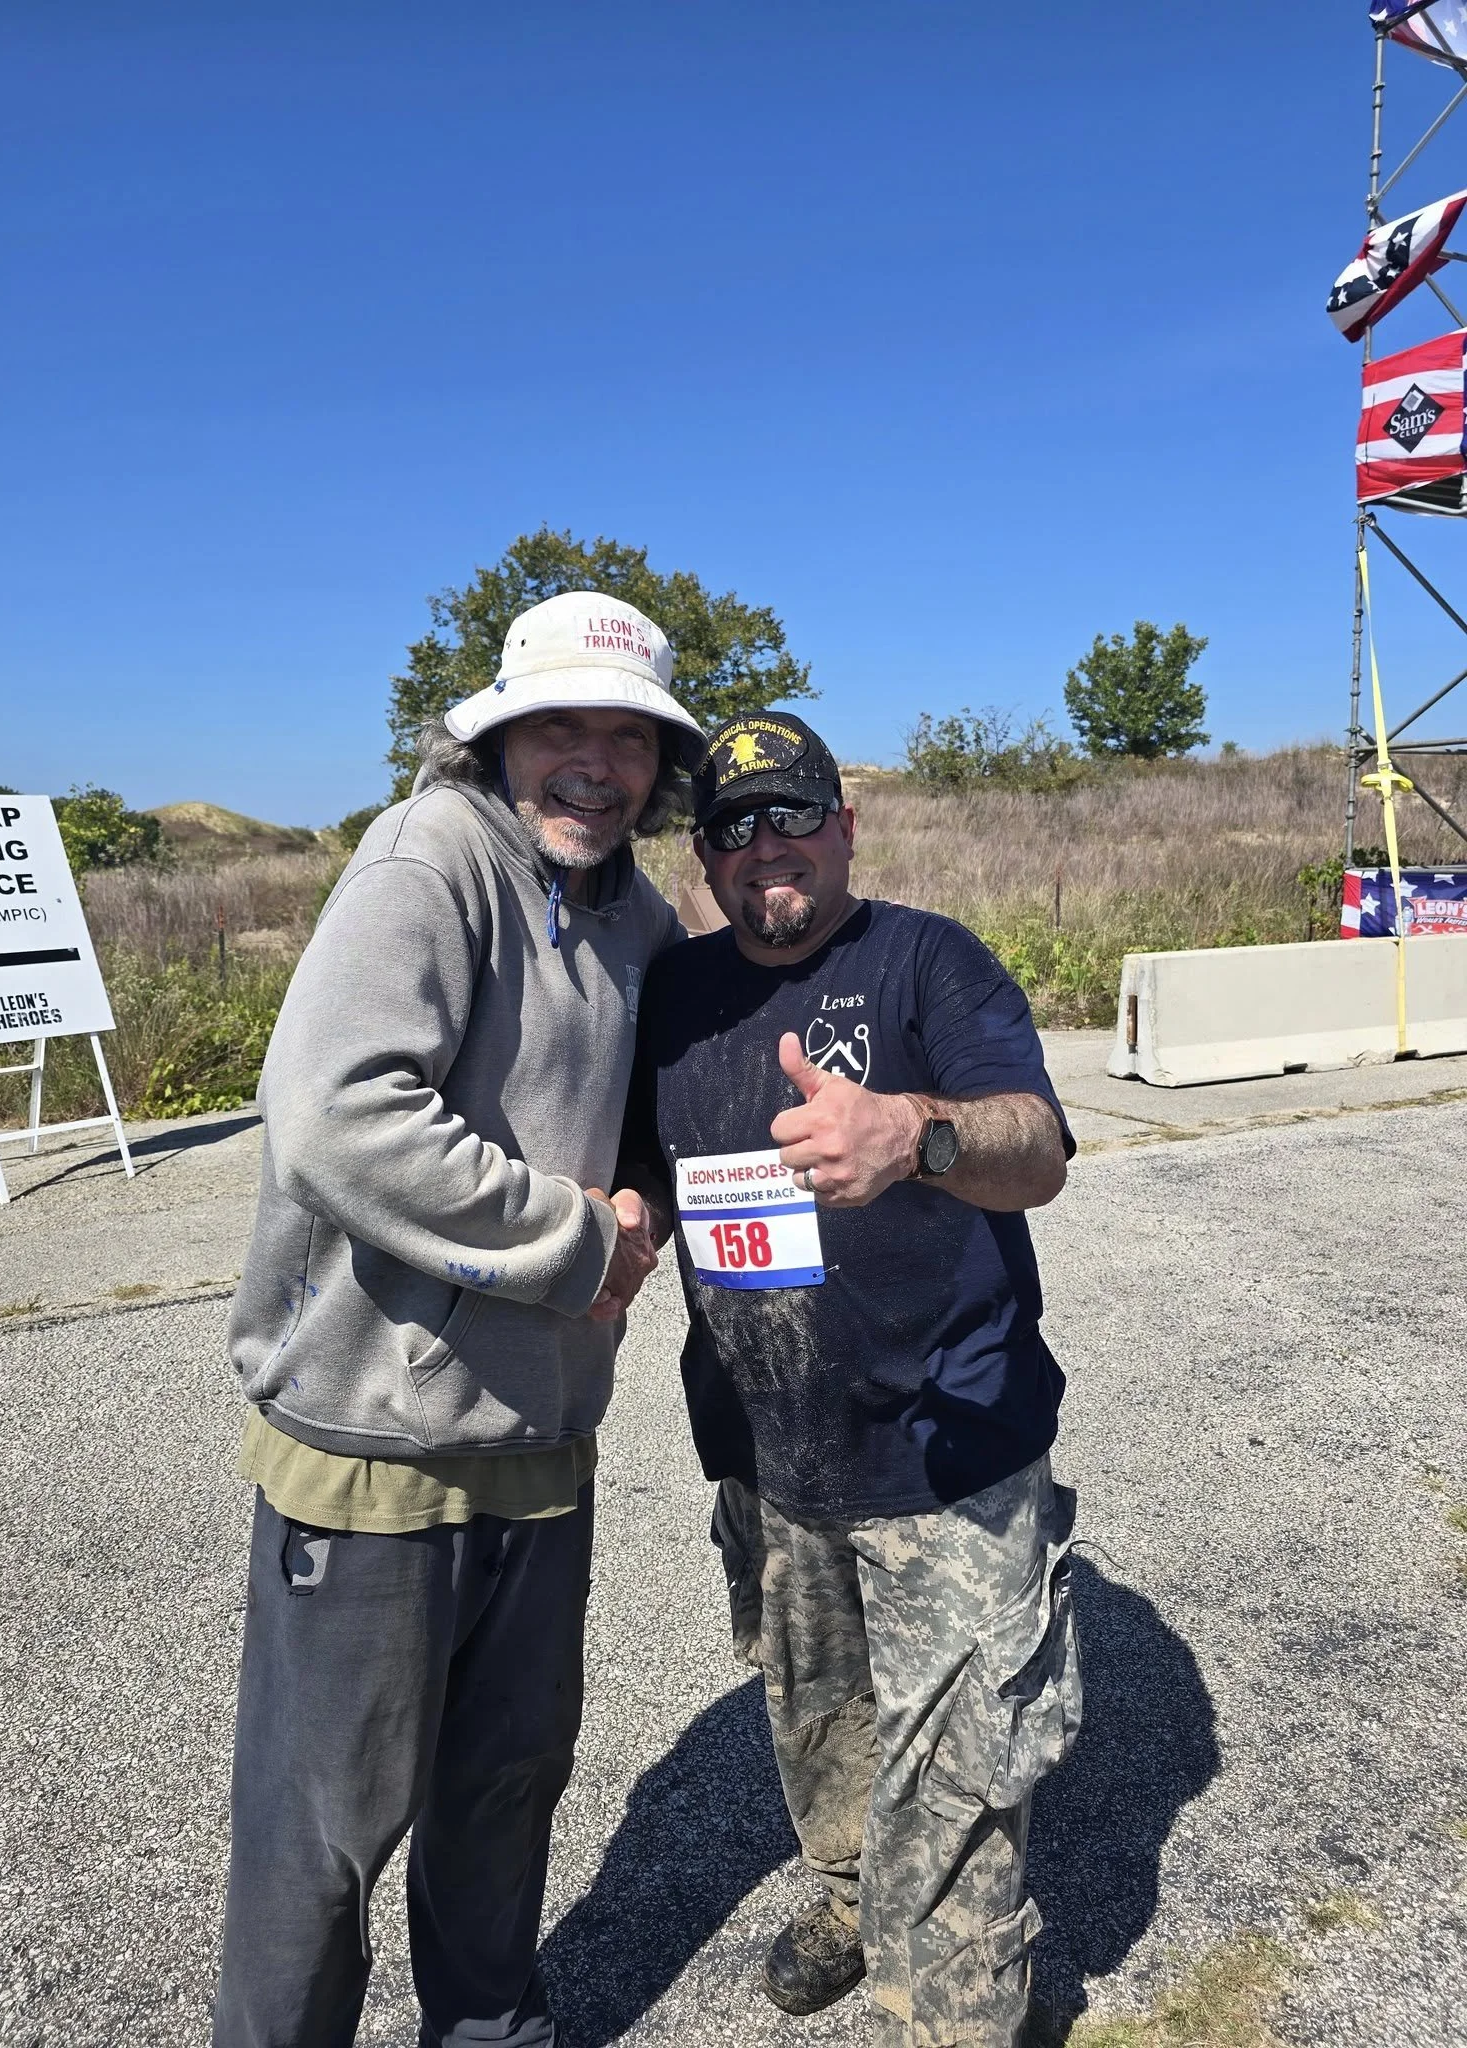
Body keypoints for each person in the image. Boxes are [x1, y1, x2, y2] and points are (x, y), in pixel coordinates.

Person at [214, 592, 703, 2048]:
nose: (595, 764)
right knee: (322, 1846)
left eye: (629, 739)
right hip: (374, 1446)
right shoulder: (431, 861)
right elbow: (335, 1116)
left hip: (541, 1440)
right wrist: (577, 1240)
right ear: (494, 733)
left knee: (504, 1796)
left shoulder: (633, 912)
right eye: (562, 725)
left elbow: (658, 1114)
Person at [619, 712, 1082, 2048]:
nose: (767, 848)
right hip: (770, 1453)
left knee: (960, 1788)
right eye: (734, 825)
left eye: (793, 814)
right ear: (704, 853)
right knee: (817, 1718)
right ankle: (841, 1891)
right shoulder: (678, 994)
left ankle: (959, 2012)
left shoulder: (930, 961)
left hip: (950, 1454)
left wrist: (914, 1135)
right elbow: (650, 1165)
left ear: (846, 826)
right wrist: (630, 1213)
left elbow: (1036, 1147)